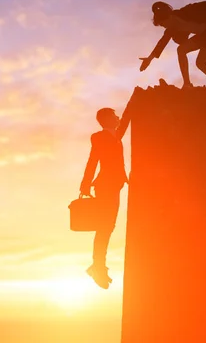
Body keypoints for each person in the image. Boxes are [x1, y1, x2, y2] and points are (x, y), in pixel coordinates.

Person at [80, 107, 129, 289]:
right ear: (106, 119)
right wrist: (85, 183)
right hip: (105, 186)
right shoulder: (99, 137)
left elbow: (125, 121)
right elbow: (93, 160)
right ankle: (97, 266)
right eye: (114, 115)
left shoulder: (116, 134)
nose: (118, 118)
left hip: (114, 186)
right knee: (105, 226)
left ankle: (98, 266)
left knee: (107, 226)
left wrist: (135, 100)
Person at [139, 0, 206, 90]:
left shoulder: (187, 11)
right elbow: (161, 43)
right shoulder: (171, 29)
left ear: (169, 17)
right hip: (201, 36)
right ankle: (187, 84)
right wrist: (149, 59)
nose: (164, 27)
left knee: (200, 63)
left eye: (163, 24)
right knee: (182, 51)